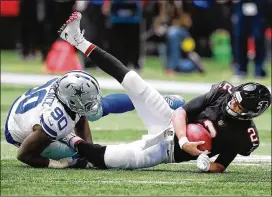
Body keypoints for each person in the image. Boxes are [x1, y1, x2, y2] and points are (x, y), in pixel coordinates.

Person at [58, 12, 271, 172]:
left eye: (238, 105)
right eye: (235, 99)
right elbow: (181, 113)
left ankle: (67, 139)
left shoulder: (245, 137)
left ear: (250, 114)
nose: (232, 103)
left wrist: (206, 166)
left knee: (112, 159)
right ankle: (78, 39)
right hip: (169, 120)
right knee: (133, 80)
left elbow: (221, 165)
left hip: (164, 152)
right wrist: (184, 141)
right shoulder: (223, 91)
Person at [4, 69, 185, 167]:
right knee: (72, 154)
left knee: (95, 112)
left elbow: (78, 113)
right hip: (19, 131)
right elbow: (24, 155)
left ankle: (156, 100)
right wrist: (52, 164)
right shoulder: (54, 120)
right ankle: (74, 149)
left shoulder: (67, 87)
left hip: (34, 109)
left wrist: (89, 149)